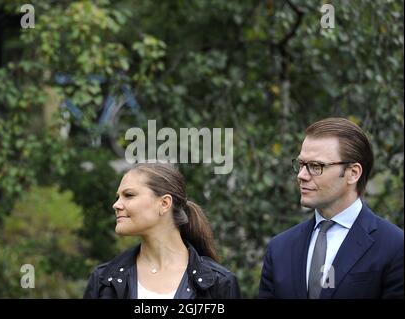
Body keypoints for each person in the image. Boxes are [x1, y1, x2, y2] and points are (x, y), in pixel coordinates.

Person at [259, 117, 404, 299]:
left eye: (315, 166)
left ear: (353, 173)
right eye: (301, 165)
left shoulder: (395, 247)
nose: (302, 175)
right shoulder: (279, 248)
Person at [83, 162, 241, 299]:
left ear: (165, 203)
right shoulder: (103, 280)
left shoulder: (219, 282)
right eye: (118, 197)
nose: (116, 205)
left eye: (129, 195)